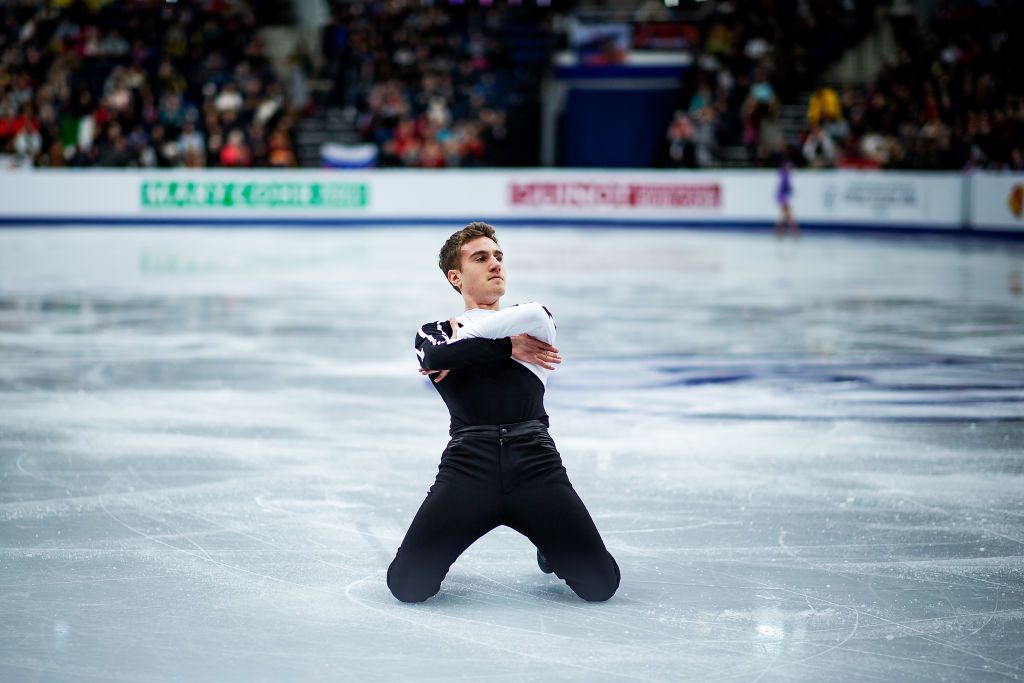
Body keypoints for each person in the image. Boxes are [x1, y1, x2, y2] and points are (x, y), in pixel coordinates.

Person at [387, 222, 621, 604]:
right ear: (456, 276)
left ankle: (552, 547)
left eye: (498, 256)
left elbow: (447, 354)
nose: (495, 264)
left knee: (600, 586)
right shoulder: (433, 331)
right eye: (481, 258)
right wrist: (507, 348)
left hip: (535, 464)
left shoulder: (533, 318)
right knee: (408, 587)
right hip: (467, 466)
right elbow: (435, 355)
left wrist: (462, 345)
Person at [774, 157, 799, 238]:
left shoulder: (784, 175)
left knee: (785, 215)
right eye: (789, 166)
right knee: (789, 215)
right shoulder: (785, 176)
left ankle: (779, 230)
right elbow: (784, 187)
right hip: (783, 197)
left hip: (782, 196)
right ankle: (794, 231)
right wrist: (789, 190)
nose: (790, 168)